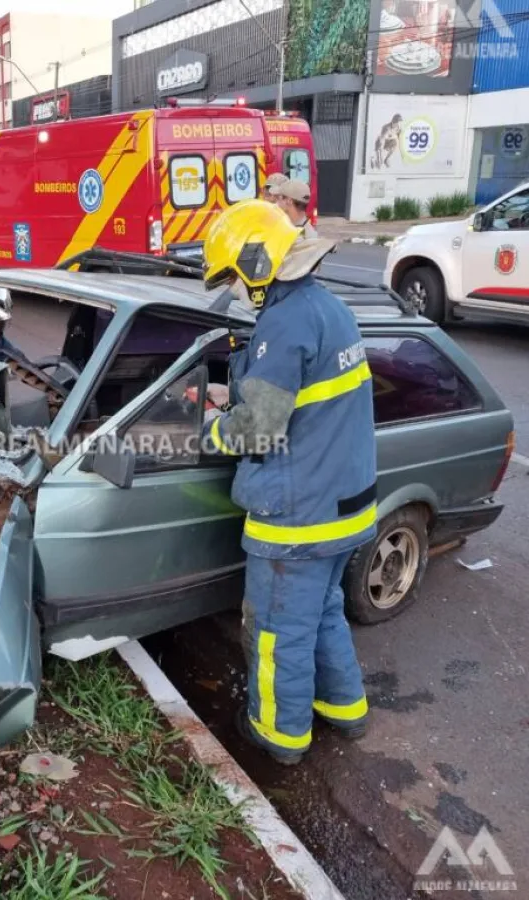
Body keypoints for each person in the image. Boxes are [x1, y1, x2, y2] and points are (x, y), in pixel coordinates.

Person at [199, 199, 376, 766]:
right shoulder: (328, 308)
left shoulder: (284, 319)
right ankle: (346, 711)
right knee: (323, 613)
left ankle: (277, 736)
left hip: (299, 516)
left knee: (277, 633)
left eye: (231, 276)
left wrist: (210, 430)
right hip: (346, 505)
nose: (233, 289)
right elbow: (302, 400)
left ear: (256, 263)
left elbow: (257, 429)